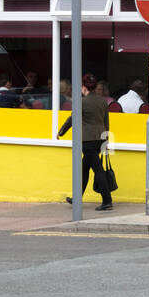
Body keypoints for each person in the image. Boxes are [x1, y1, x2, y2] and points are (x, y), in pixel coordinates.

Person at [57, 77, 114, 210]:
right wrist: (106, 140)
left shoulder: (81, 102)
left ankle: (107, 200)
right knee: (84, 168)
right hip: (100, 139)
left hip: (87, 141)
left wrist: (61, 131)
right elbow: (106, 122)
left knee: (98, 170)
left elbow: (72, 118)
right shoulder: (103, 101)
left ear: (84, 88)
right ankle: (77, 198)